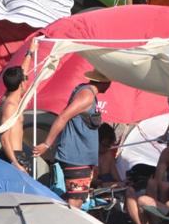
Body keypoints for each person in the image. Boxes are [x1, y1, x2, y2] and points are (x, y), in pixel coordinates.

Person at [34, 70, 112, 207]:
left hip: (80, 157)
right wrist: (47, 144)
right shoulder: (86, 96)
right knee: (75, 200)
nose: (111, 85)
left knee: (76, 198)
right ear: (103, 82)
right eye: (110, 81)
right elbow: (63, 117)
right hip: (76, 156)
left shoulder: (88, 94)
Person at [0, 66, 29, 171]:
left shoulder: (9, 97)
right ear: (21, 84)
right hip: (12, 156)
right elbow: (4, 138)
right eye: (25, 79)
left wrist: (30, 53)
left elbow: (22, 71)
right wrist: (16, 164)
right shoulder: (10, 107)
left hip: (17, 156)